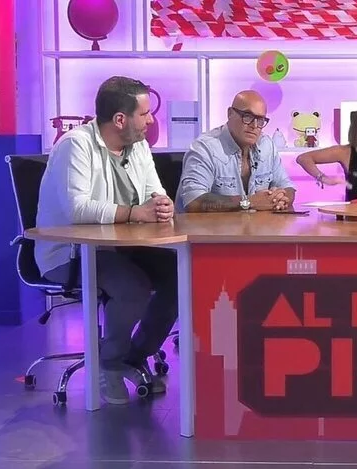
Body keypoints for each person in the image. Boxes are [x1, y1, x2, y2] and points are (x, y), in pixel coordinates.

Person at [35, 76, 177, 405]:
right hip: (71, 252)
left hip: (123, 248)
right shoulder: (75, 145)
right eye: (145, 114)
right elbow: (77, 209)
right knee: (133, 287)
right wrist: (134, 213)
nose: (151, 120)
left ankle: (133, 356)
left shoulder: (139, 146)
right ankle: (109, 363)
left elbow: (154, 192)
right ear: (120, 119)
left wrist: (162, 204)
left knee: (179, 275)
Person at [176, 90, 295, 212]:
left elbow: (288, 187)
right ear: (230, 113)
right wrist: (249, 202)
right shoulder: (205, 148)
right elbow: (194, 201)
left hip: (254, 223)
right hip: (208, 225)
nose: (254, 126)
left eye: (260, 120)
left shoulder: (267, 145)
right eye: (247, 116)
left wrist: (281, 198)